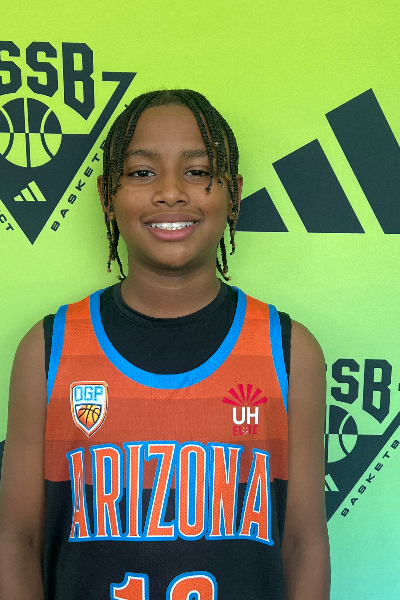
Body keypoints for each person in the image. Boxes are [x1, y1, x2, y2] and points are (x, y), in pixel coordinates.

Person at [0, 89, 330, 599]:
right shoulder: (48, 350)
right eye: (141, 172)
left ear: (234, 193)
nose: (170, 192)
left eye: (198, 172)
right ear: (106, 195)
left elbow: (303, 544)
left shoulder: (288, 352)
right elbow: (17, 540)